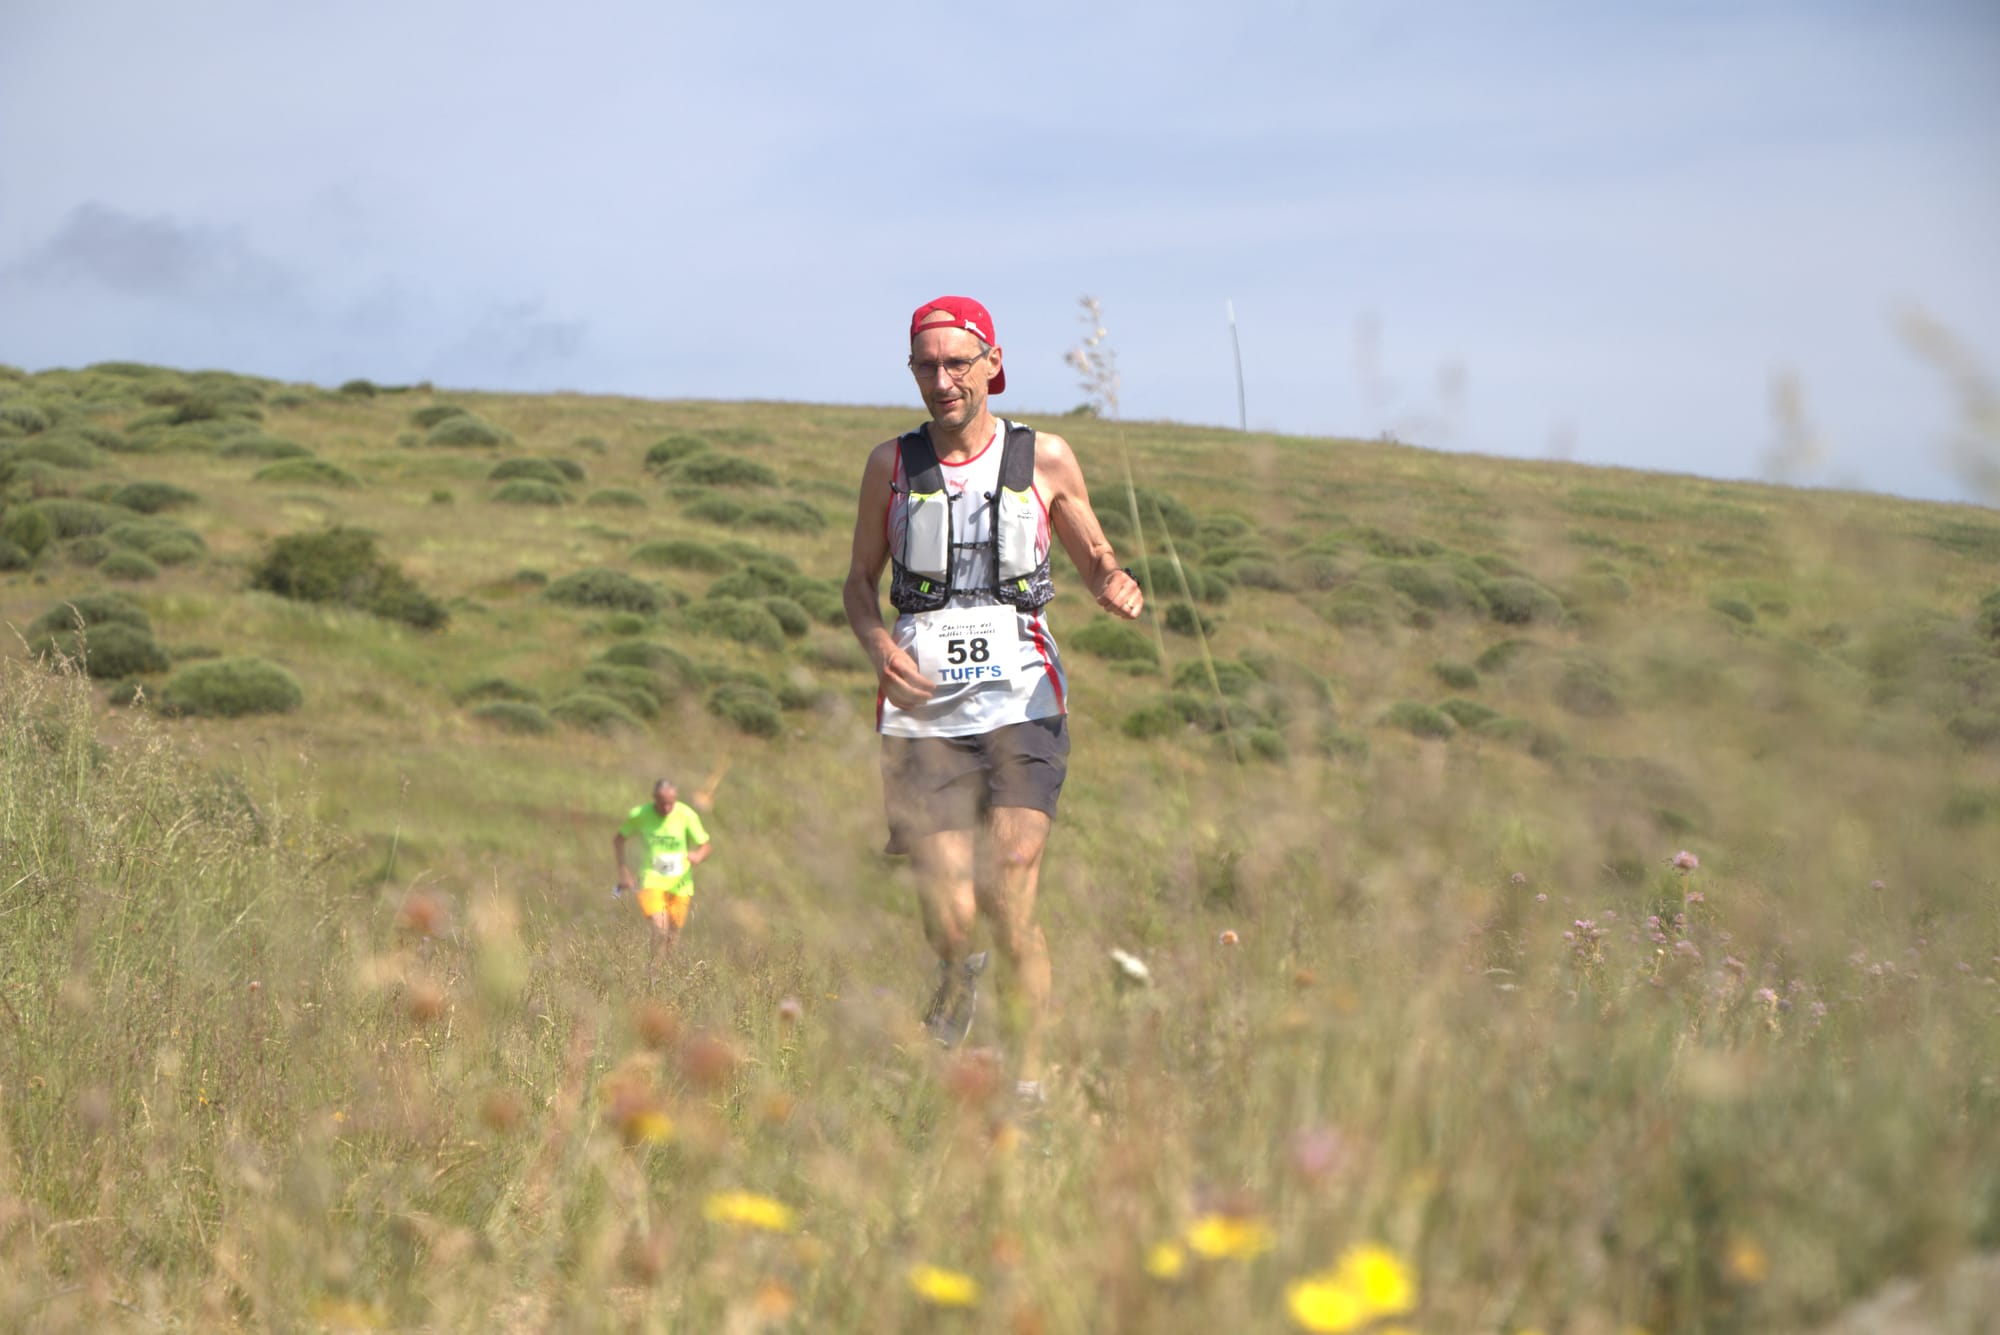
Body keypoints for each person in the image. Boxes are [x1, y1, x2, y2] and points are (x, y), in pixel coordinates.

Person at [842, 295, 1143, 1098]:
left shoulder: (1044, 457)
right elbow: (857, 586)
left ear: (990, 363)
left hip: (1024, 701)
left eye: (955, 363)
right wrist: (877, 644)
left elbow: (1093, 550)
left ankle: (1031, 1084)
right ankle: (954, 973)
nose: (941, 380)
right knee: (951, 914)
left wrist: (1113, 581)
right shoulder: (890, 466)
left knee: (1012, 883)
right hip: (922, 715)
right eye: (925, 366)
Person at [614, 778, 713, 954]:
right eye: (662, 804)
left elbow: (705, 845)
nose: (667, 808)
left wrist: (698, 855)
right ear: (654, 798)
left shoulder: (686, 815)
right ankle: (654, 973)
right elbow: (619, 839)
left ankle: (666, 972)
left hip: (681, 883)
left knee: (673, 934)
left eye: (670, 804)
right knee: (660, 928)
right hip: (651, 879)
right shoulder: (640, 815)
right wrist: (624, 871)